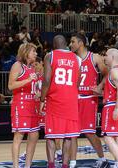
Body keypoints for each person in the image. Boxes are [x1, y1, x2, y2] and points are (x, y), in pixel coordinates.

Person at [40, 35, 81, 168]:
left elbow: (46, 80)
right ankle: (65, 165)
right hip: (71, 102)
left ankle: (51, 165)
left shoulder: (50, 56)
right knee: (68, 136)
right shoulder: (77, 58)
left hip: (54, 100)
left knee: (51, 136)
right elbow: (78, 82)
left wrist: (42, 99)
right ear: (66, 44)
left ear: (54, 46)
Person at [70, 33, 108, 167]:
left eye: (73, 42)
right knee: (72, 133)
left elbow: (107, 74)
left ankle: (102, 159)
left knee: (89, 133)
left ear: (80, 43)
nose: (71, 44)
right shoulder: (71, 58)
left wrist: (99, 86)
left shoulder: (95, 57)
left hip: (89, 99)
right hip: (73, 99)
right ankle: (72, 162)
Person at [8, 43, 40, 168]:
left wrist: (37, 93)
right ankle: (16, 166)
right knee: (19, 136)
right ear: (26, 53)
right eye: (33, 52)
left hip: (33, 105)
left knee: (34, 136)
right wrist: (28, 80)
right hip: (21, 105)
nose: (36, 54)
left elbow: (33, 86)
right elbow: (10, 86)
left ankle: (27, 166)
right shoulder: (17, 65)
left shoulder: (32, 67)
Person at [95, 48, 118, 168]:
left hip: (113, 106)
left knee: (107, 136)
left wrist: (116, 108)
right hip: (117, 104)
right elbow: (115, 90)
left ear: (113, 57)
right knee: (116, 136)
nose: (104, 57)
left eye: (106, 55)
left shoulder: (114, 71)